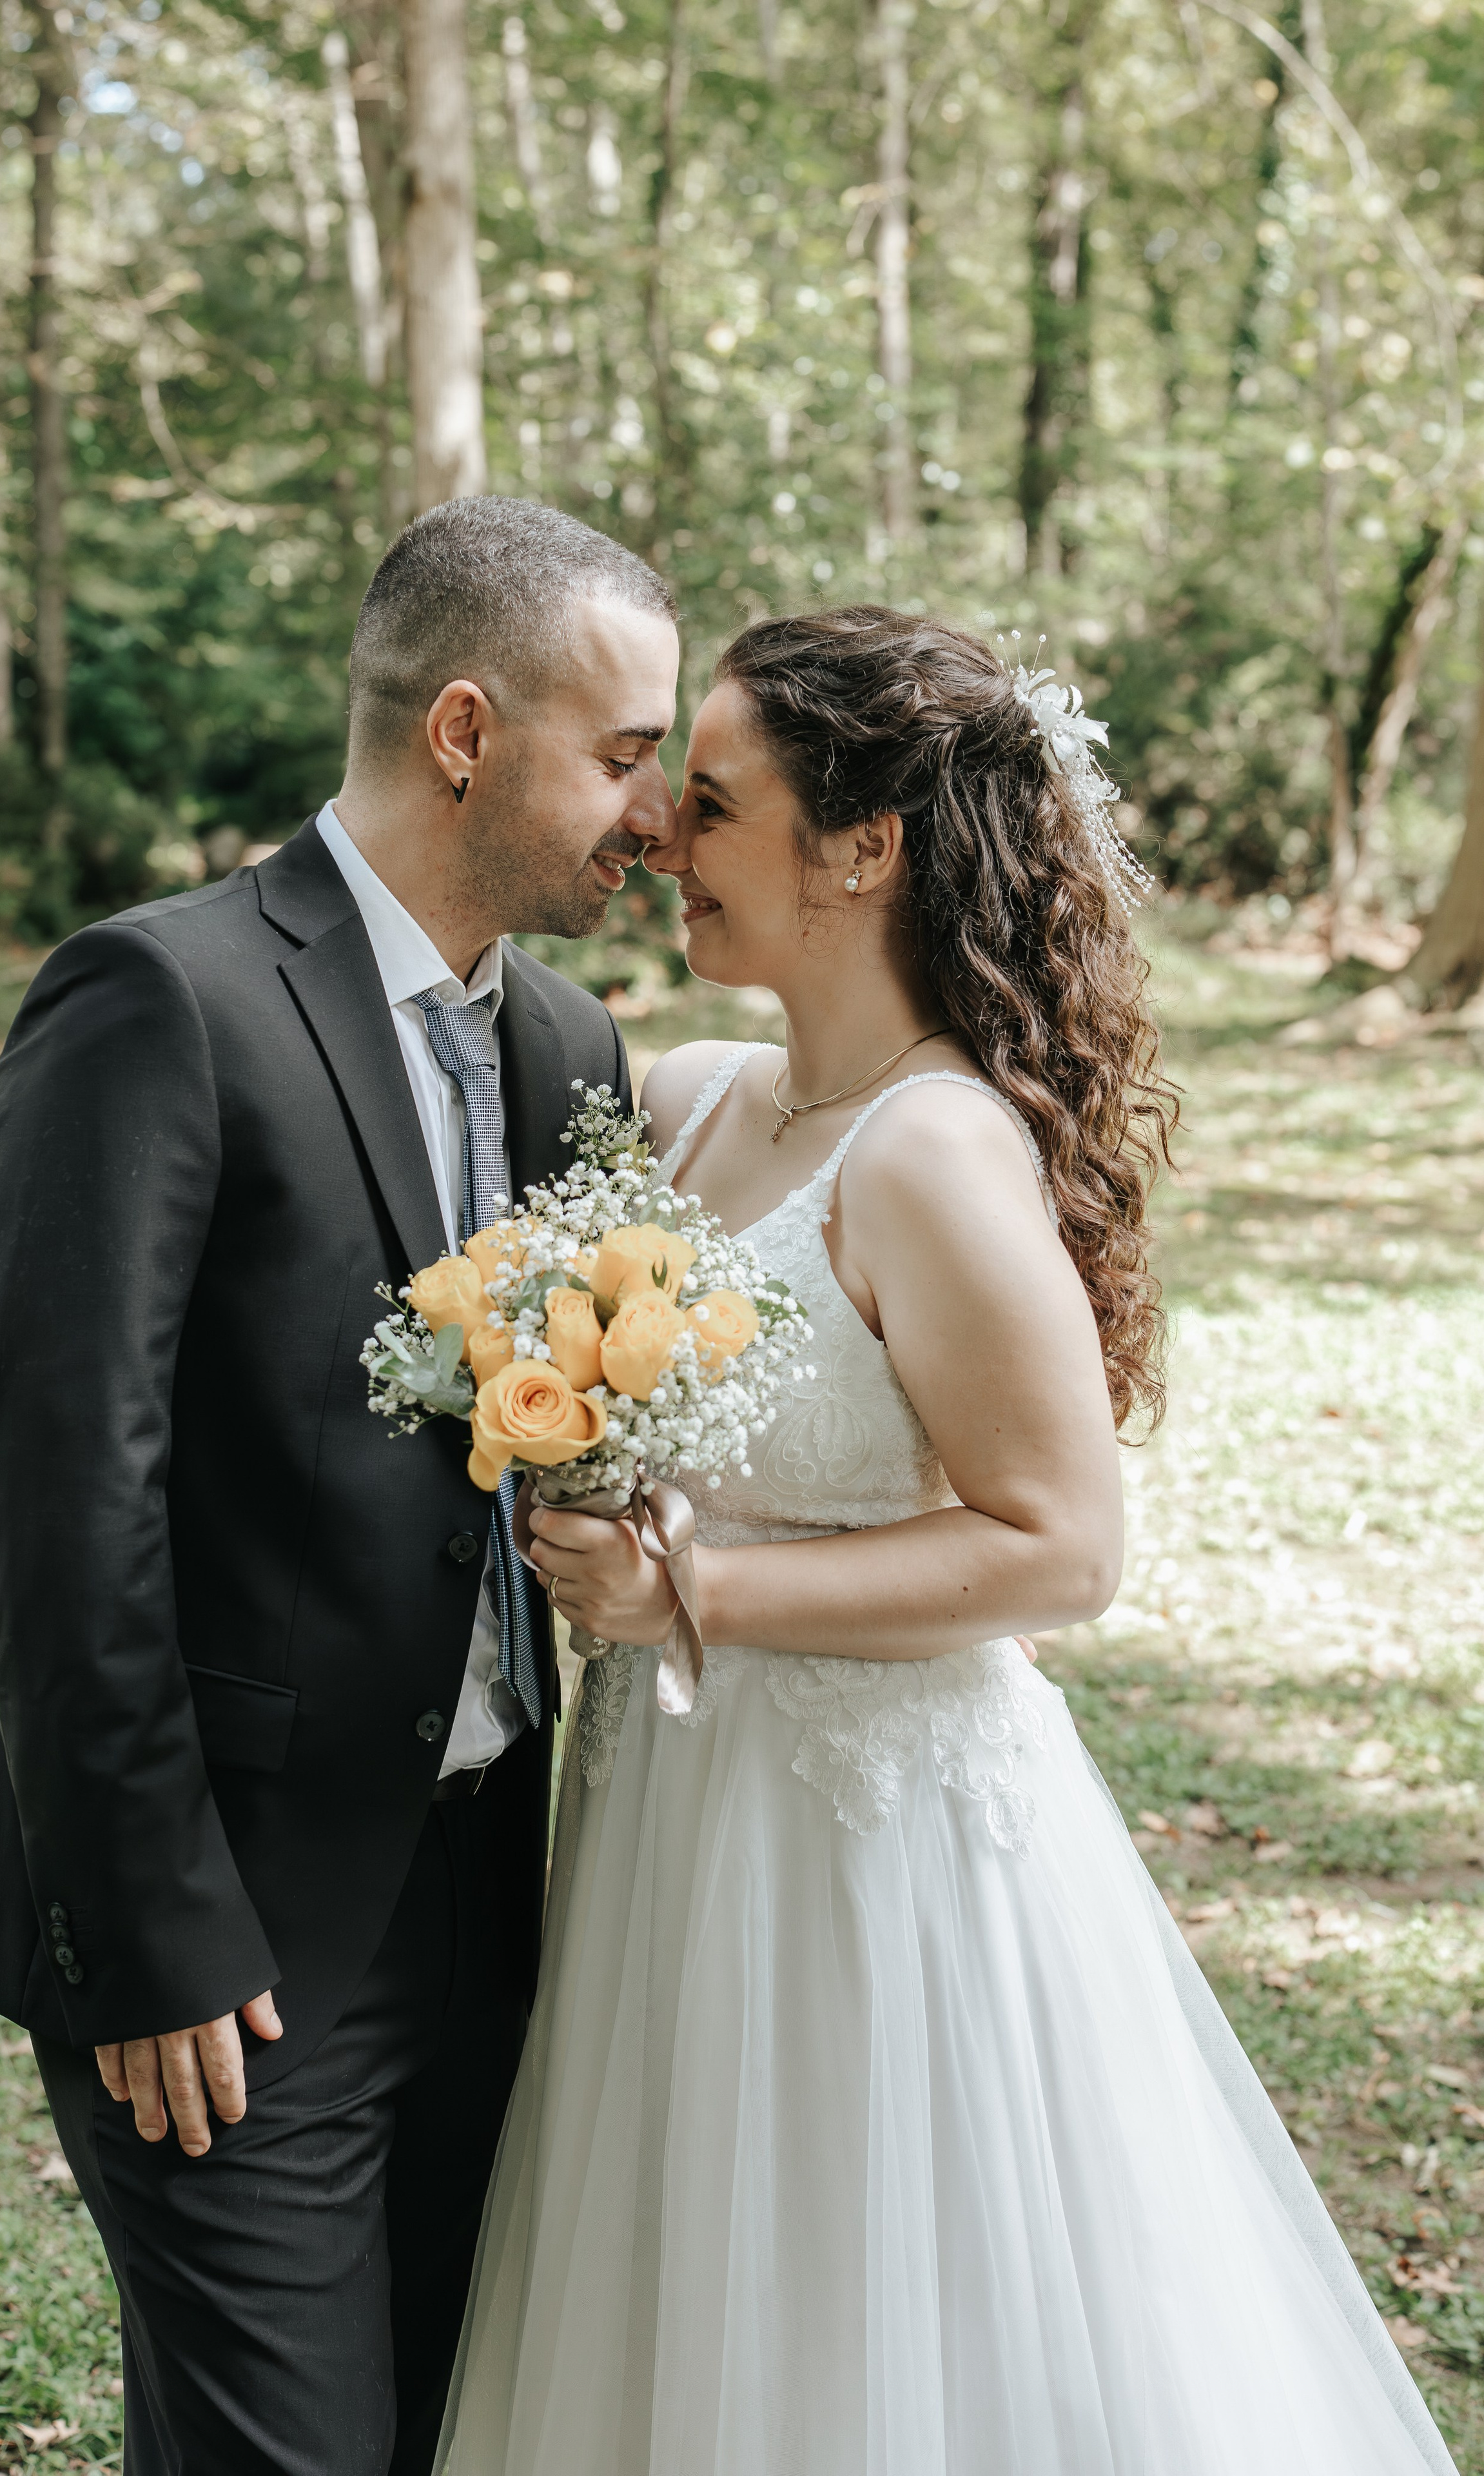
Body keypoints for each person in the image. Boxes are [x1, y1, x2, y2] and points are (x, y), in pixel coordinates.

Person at [435, 609, 1458, 2475]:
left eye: (717, 800)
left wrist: (693, 1594)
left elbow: (1065, 1546)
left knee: (870, 2311)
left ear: (864, 846)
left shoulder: (929, 1153)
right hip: (675, 1817)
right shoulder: (689, 1107)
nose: (664, 834)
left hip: (868, 1842)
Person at [0, 497, 679, 2476]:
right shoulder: (154, 998)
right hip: (229, 1937)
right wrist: (156, 1930)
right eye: (622, 753)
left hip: (486, 1900)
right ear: (462, 731)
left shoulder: (570, 1043)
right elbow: (59, 1498)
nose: (655, 811)